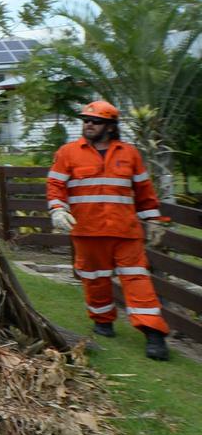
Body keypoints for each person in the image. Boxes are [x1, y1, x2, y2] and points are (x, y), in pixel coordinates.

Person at [46, 100, 171, 360]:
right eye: (86, 120)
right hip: (87, 231)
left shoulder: (130, 154)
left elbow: (144, 192)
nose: (89, 124)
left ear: (111, 126)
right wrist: (58, 209)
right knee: (95, 280)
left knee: (138, 280)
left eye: (96, 121)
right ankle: (103, 322)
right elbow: (55, 187)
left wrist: (155, 220)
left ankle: (154, 334)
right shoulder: (68, 153)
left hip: (125, 232)